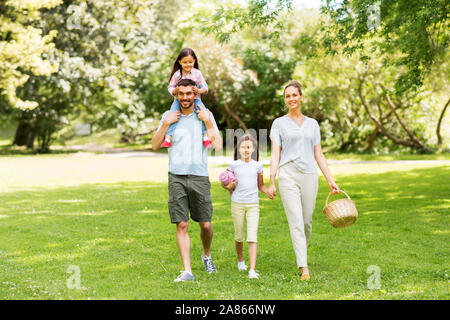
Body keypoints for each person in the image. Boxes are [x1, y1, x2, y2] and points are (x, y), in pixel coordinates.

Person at [152, 78, 223, 282]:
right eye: (181, 94)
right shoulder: (169, 116)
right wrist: (166, 124)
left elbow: (218, 145)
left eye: (189, 93)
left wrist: (208, 121)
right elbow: (154, 145)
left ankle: (206, 255)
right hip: (176, 176)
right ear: (176, 95)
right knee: (181, 225)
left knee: (206, 225)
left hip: (199, 175)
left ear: (195, 94)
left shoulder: (204, 116)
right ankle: (187, 271)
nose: (185, 97)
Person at [267, 80, 340, 281]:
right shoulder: (279, 124)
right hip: (287, 173)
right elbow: (275, 154)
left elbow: (319, 154)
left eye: (294, 95)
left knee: (307, 222)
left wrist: (330, 180)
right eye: (287, 96)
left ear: (301, 97)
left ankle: (302, 252)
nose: (291, 99)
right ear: (285, 100)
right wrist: (271, 180)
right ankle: (304, 267)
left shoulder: (313, 124)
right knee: (296, 221)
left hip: (309, 175)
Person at [222, 134, 272, 279]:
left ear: (253, 149)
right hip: (237, 204)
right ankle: (240, 261)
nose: (245, 150)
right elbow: (225, 184)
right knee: (239, 236)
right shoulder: (233, 165)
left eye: (248, 147)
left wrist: (267, 191)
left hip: (253, 205)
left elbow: (260, 185)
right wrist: (228, 186)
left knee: (252, 236)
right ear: (238, 149)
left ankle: (252, 270)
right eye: (243, 147)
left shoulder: (258, 166)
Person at [161, 48, 212, 148]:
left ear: (194, 61)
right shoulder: (177, 75)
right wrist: (174, 91)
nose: (188, 64)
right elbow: (170, 87)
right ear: (180, 62)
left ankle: (205, 136)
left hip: (195, 99)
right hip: (178, 100)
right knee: (172, 114)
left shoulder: (197, 73)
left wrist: (198, 91)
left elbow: (205, 88)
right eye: (185, 62)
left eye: (190, 62)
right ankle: (168, 137)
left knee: (203, 114)